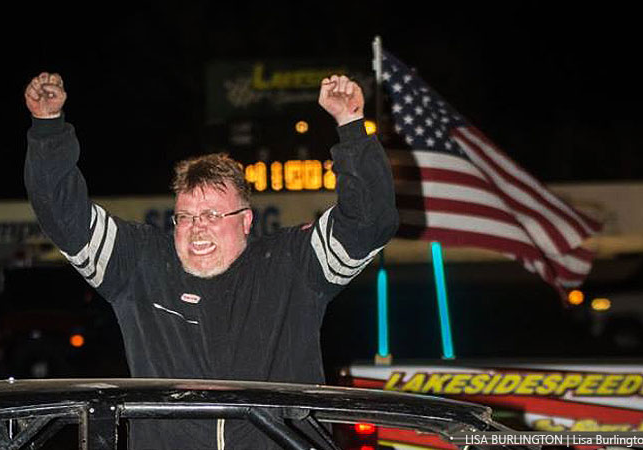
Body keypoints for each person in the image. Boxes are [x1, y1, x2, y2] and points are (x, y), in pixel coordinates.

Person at [24, 71, 398, 450]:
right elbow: (63, 217)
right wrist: (48, 129)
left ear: (246, 221)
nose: (197, 228)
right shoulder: (139, 264)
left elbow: (369, 224)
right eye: (186, 216)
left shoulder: (292, 264)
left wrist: (351, 125)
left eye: (212, 216)